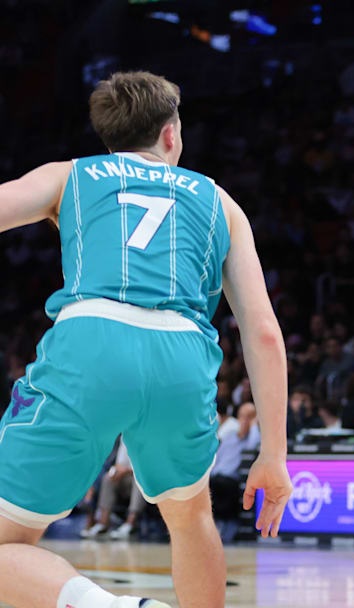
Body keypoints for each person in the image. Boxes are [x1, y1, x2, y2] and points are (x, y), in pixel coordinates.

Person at [0, 71, 292, 608]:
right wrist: (274, 454)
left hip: (91, 341)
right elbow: (264, 333)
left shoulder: (72, 176)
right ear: (171, 135)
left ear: (109, 139)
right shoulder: (220, 201)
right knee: (190, 516)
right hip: (181, 354)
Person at [81, 440, 146, 541]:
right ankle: (103, 523)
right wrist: (117, 471)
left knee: (140, 479)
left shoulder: (147, 438)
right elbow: (119, 463)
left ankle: (130, 523)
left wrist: (127, 470)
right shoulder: (124, 438)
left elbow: (147, 467)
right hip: (126, 478)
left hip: (141, 478)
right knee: (108, 478)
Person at [209, 403, 260, 524]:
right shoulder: (229, 436)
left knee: (222, 487)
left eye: (249, 417)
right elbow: (217, 458)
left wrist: (253, 425)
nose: (244, 420)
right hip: (216, 476)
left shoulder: (252, 438)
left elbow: (252, 445)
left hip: (232, 480)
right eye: (242, 416)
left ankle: (225, 526)